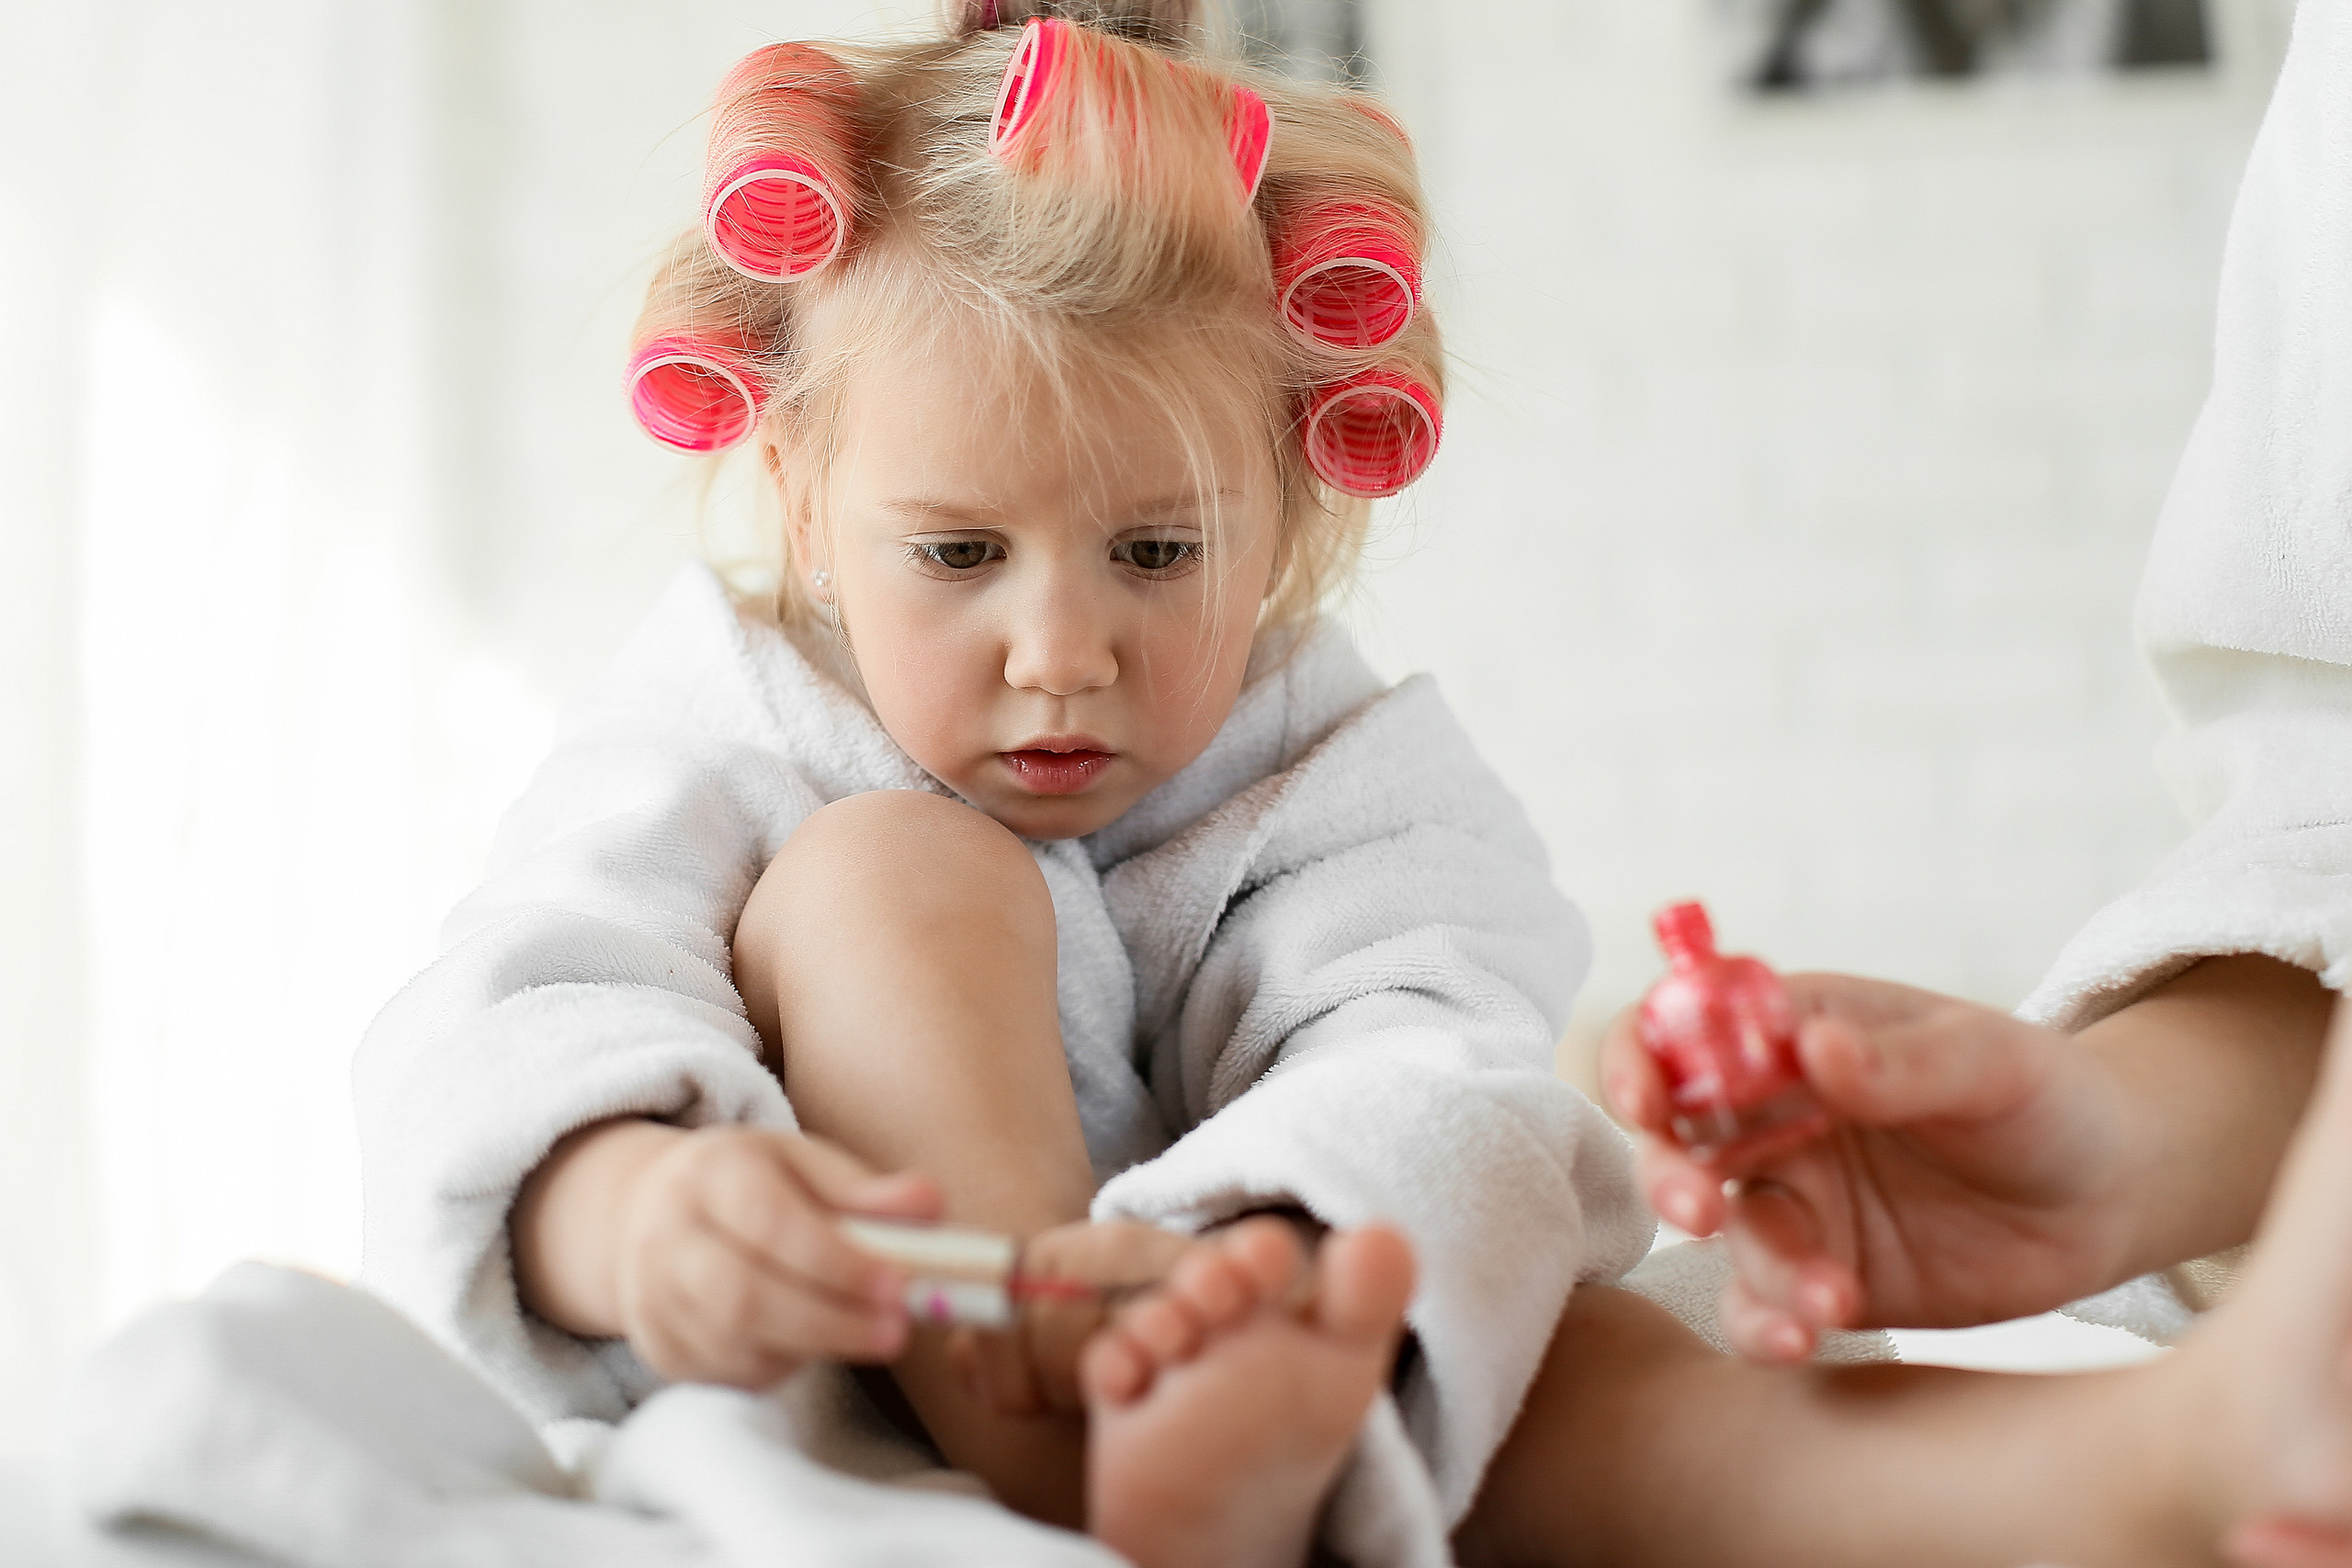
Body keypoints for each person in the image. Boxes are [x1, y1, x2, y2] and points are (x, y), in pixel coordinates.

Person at [355, 3, 2352, 1564]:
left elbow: (1424, 1047)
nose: (1061, 648)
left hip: (1281, 1387)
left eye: (1156, 552)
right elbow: (524, 1008)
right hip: (866, 1355)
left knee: (1586, 1364)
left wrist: (1283, 1262)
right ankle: (1058, 1449)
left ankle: (2138, 1464)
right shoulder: (717, 720)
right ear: (792, 491)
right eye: (954, 556)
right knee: (890, 868)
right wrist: (638, 1208)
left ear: (1292, 513)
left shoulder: (1341, 766)